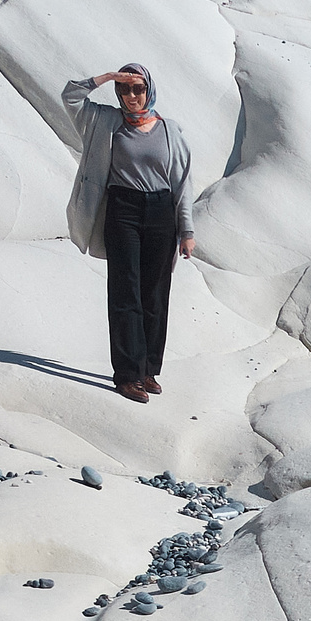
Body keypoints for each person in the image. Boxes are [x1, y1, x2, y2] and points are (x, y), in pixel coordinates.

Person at [63, 64, 196, 403]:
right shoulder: (105, 121)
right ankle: (126, 375)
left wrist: (187, 230)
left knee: (155, 293)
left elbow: (182, 183)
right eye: (125, 90)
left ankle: (148, 369)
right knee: (125, 291)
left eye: (137, 88)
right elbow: (70, 96)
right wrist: (106, 78)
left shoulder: (170, 131)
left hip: (161, 212)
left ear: (149, 89)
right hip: (122, 209)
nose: (132, 96)